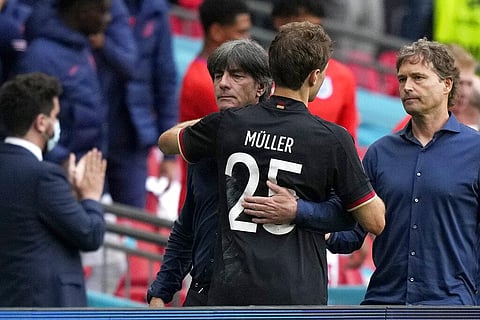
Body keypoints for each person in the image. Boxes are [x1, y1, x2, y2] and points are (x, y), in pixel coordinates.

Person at [158, 21, 385, 306]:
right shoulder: (333, 139)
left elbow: (167, 142)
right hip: (294, 296)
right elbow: (374, 221)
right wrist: (302, 210)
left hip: (228, 293)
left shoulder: (226, 126)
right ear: (315, 76)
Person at [328, 38, 480, 305]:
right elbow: (351, 234)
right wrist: (313, 225)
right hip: (384, 304)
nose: (407, 87)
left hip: (449, 308)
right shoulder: (378, 153)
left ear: (447, 84)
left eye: (418, 78)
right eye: (402, 79)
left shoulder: (475, 151)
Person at [0, 72, 107, 307]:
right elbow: (90, 234)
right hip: (43, 305)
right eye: (55, 116)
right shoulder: (44, 176)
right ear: (41, 122)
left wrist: (66, 191)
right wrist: (90, 196)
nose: (57, 124)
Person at [14, 0, 110, 168]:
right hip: (54, 174)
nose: (107, 18)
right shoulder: (40, 56)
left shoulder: (82, 48)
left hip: (88, 167)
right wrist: (62, 161)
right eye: (101, 11)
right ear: (82, 11)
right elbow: (24, 123)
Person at [177, 0, 251, 208]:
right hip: (204, 202)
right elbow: (244, 126)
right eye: (241, 32)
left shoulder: (215, 77)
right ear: (217, 32)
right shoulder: (205, 81)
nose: (248, 40)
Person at [271, 0, 359, 145]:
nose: (309, 37)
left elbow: (348, 139)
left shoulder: (343, 77)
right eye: (301, 28)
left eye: (316, 28)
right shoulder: (256, 67)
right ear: (279, 22)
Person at [392, 43, 478, 131]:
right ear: (446, 83)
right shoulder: (411, 128)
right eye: (460, 83)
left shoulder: (473, 125)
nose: (465, 92)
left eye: (469, 84)